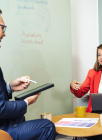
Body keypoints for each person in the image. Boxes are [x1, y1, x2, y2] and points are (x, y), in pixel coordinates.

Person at [0, 9, 56, 140]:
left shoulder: (40, 70)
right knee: (47, 126)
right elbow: (1, 108)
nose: (4, 33)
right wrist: (26, 102)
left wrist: (10, 87)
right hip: (3, 129)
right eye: (3, 27)